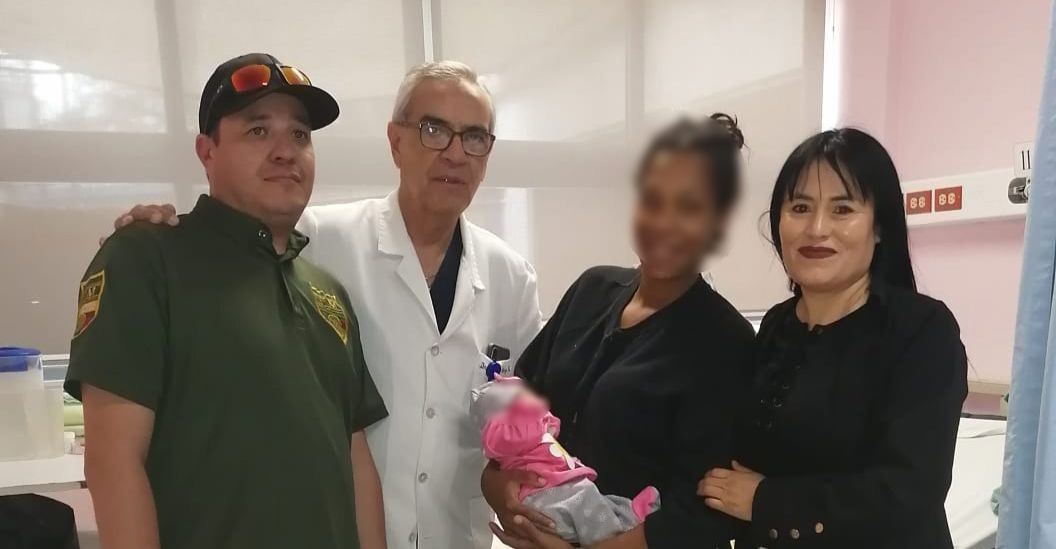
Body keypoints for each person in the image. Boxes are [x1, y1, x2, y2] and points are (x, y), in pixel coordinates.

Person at [107, 60, 542, 549]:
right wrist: (159, 230)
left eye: (475, 137)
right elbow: (226, 241)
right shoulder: (313, 239)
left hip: (458, 535)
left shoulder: (511, 276)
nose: (456, 154)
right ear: (396, 141)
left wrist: (521, 488)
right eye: (434, 130)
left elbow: (518, 426)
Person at [66, 53, 388, 549]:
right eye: (258, 131)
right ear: (207, 151)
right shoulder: (146, 259)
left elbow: (355, 458)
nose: (285, 151)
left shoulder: (327, 293)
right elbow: (114, 462)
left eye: (299, 134)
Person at [486, 114, 755, 549]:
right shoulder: (592, 289)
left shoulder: (724, 343)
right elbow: (516, 405)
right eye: (653, 199)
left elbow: (697, 515)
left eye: (689, 208)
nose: (664, 222)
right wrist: (498, 489)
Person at [697, 128, 968, 548]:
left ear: (879, 227)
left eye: (842, 209)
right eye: (800, 207)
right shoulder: (775, 326)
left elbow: (908, 493)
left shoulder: (921, 330)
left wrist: (765, 501)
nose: (817, 228)